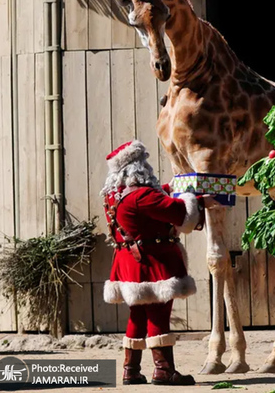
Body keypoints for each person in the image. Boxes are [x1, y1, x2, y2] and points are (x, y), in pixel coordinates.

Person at [101, 140, 221, 386]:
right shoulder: (142, 196)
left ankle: (131, 370)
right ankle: (164, 370)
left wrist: (172, 186)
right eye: (144, 164)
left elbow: (153, 199)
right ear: (138, 169)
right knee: (158, 312)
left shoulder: (114, 195)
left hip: (129, 262)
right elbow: (178, 213)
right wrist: (197, 201)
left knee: (137, 315)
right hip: (150, 261)